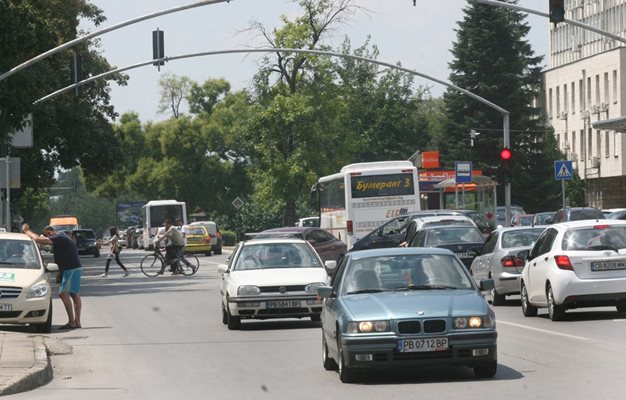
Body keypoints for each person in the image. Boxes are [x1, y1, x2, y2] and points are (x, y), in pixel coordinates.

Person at [22, 223, 82, 329]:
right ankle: (77, 321)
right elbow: (64, 256)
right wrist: (60, 272)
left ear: (50, 232)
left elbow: (38, 240)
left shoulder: (57, 237)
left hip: (71, 268)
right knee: (74, 294)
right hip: (73, 267)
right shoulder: (62, 236)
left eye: (47, 235)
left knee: (63, 294)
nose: (48, 238)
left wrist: (27, 231)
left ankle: (72, 322)